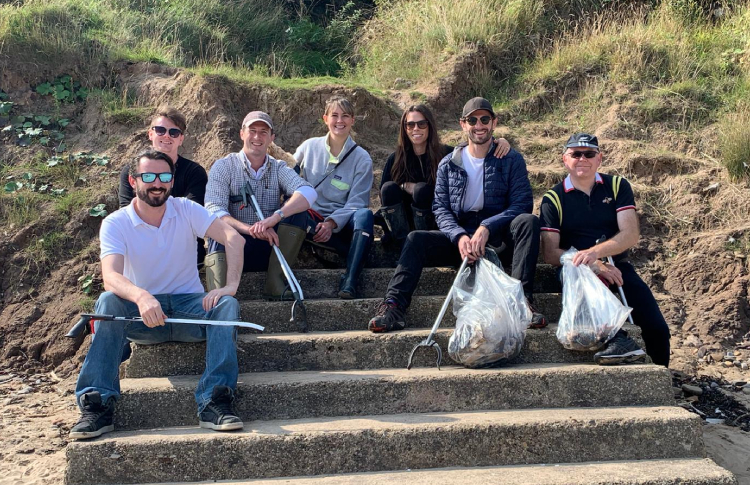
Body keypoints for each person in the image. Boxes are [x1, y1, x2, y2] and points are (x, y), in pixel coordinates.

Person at [71, 150, 246, 440]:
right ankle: (98, 404)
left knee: (227, 304)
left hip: (190, 309)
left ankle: (215, 400)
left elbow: (233, 238)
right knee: (106, 301)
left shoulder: (186, 209)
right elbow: (111, 276)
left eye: (164, 177)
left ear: (172, 181)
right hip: (143, 319)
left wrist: (229, 287)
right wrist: (141, 296)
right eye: (148, 176)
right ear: (133, 180)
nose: (157, 183)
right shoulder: (116, 222)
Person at [368, 97, 546, 332]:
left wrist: (487, 227)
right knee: (415, 239)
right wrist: (459, 236)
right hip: (460, 238)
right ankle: (393, 306)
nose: (478, 125)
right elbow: (440, 209)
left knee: (528, 221)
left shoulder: (511, 159)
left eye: (484, 119)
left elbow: (522, 203)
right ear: (463, 124)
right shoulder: (448, 164)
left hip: (497, 236)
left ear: (494, 122)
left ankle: (522, 301)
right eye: (472, 120)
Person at [539, 133, 671, 367]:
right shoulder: (553, 198)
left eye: (589, 154)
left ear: (599, 158)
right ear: (564, 159)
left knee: (657, 328)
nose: (582, 159)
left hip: (617, 265)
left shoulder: (617, 186)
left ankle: (664, 380)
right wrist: (591, 262)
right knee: (582, 275)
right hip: (575, 269)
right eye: (575, 154)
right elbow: (550, 253)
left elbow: (630, 234)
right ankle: (619, 339)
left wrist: (595, 253)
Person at [204, 111, 317, 298]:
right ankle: (220, 295)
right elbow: (214, 210)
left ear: (271, 138)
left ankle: (275, 283)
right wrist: (251, 229)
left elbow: (308, 192)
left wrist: (275, 218)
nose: (257, 137)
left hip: (271, 246)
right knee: (218, 228)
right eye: (252, 130)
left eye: (264, 132)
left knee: (299, 212)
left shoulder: (279, 167)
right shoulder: (223, 166)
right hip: (235, 246)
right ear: (242, 133)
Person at [379, 104, 511, 241]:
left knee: (421, 190)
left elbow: (474, 146)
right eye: (410, 125)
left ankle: (422, 240)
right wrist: (404, 186)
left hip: (435, 224)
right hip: (402, 226)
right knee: (389, 188)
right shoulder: (395, 159)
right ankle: (399, 241)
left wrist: (499, 141)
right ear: (404, 128)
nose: (416, 129)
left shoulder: (447, 155)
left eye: (421, 124)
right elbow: (384, 196)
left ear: (430, 125)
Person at [292, 96, 374, 299]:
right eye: (334, 115)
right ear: (325, 118)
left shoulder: (362, 158)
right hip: (309, 217)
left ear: (353, 120)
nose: (340, 121)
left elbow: (357, 202)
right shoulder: (308, 147)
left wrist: (331, 223)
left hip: (342, 222)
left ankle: (350, 279)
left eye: (345, 116)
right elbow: (288, 175)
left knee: (365, 215)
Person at [118, 107, 208, 264]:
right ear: (150, 134)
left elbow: (193, 217)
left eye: (173, 132)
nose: (167, 135)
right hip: (141, 242)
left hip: (183, 248)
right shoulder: (131, 170)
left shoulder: (195, 172)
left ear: (181, 139)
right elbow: (126, 211)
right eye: (160, 130)